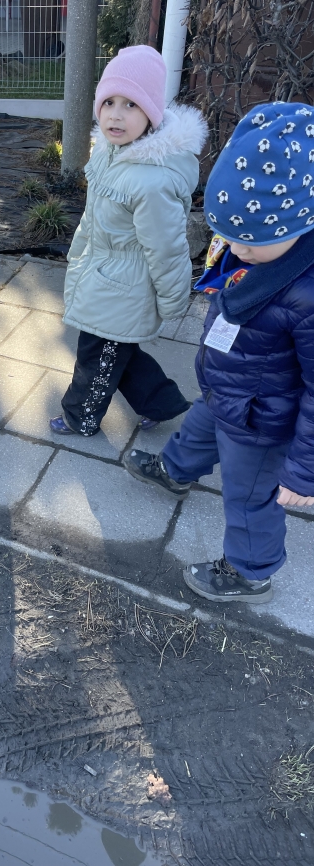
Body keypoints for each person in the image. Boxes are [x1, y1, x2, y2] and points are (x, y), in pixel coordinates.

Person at [123, 101, 314, 604]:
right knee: (198, 429)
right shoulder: (256, 252)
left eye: (248, 241)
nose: (233, 248)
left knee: (249, 495)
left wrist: (304, 469)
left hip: (263, 421)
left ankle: (251, 571)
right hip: (229, 387)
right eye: (226, 235)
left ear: (297, 225)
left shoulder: (307, 296)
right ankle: (175, 472)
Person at [50, 46, 207, 437]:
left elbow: (167, 248)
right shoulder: (110, 152)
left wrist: (173, 299)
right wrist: (79, 253)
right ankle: (162, 403)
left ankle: (80, 416)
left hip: (125, 287)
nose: (115, 115)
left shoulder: (151, 181)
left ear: (151, 113)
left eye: (131, 105)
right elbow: (94, 217)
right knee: (118, 349)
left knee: (97, 356)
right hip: (102, 273)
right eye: (109, 102)